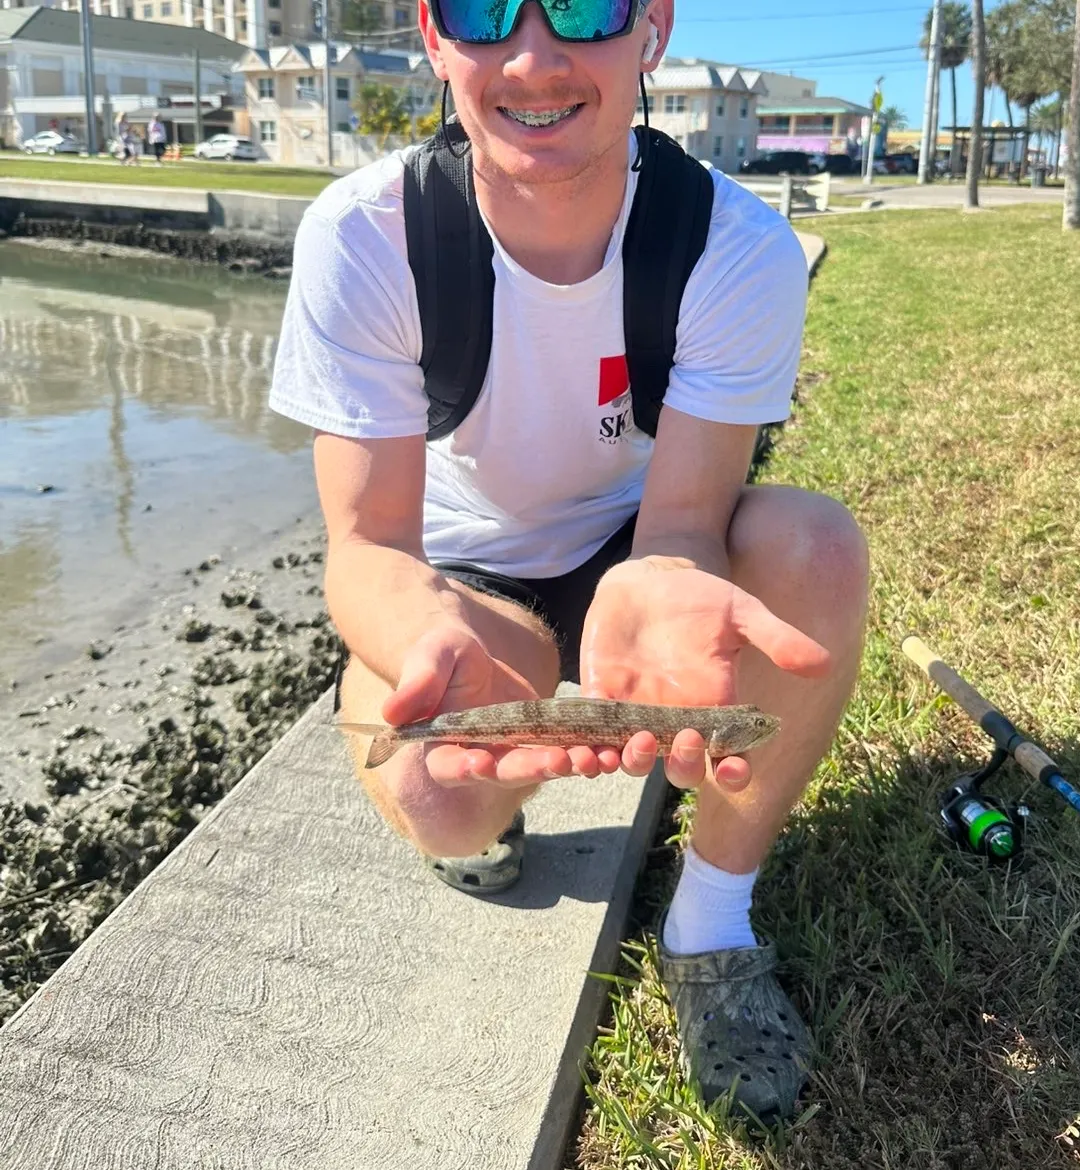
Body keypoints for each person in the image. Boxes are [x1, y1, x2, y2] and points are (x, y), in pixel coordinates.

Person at [269, 0, 868, 1123]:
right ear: (433, 34)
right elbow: (368, 547)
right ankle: (491, 799)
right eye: (484, 10)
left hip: (635, 546)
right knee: (432, 794)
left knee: (812, 546)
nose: (533, 57)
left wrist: (669, 582)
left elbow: (688, 519)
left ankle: (713, 923)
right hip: (464, 568)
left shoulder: (732, 242)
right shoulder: (364, 235)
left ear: (651, 27)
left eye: (587, 6)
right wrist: (422, 641)